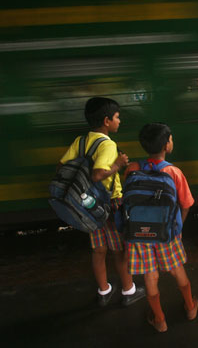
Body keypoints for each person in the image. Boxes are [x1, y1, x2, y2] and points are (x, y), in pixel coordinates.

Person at [58, 97, 145, 306]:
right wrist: (118, 164)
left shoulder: (80, 141)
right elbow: (98, 174)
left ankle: (104, 291)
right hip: (108, 205)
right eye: (117, 117)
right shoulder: (107, 145)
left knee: (98, 250)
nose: (119, 121)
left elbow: (62, 166)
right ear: (107, 121)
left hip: (85, 204)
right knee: (118, 250)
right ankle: (128, 290)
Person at [123, 122, 198, 333]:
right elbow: (186, 205)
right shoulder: (174, 172)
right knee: (177, 270)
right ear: (167, 145)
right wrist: (177, 228)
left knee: (150, 275)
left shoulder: (132, 169)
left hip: (138, 234)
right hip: (167, 233)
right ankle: (191, 307)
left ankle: (160, 319)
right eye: (171, 139)